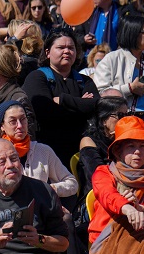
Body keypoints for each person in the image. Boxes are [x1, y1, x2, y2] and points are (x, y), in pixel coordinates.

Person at [89, 116, 144, 254]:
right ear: (118, 151)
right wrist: (127, 208)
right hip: (107, 240)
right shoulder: (103, 172)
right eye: (131, 146)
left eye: (143, 146)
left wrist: (142, 208)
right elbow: (107, 194)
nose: (138, 152)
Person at [24, 28, 100, 167]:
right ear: (48, 52)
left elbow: (95, 105)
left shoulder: (84, 80)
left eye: (71, 48)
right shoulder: (36, 77)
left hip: (80, 155)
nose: (67, 51)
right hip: (47, 156)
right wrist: (81, 105)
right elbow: (45, 112)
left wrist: (62, 100)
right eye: (61, 47)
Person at [92, 15, 144, 112]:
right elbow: (100, 93)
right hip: (123, 117)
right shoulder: (112, 58)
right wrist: (129, 88)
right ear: (133, 33)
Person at [79, 95, 129, 193]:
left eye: (127, 115)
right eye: (120, 115)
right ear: (104, 120)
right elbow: (98, 173)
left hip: (127, 189)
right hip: (99, 192)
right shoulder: (88, 141)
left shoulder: (124, 139)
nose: (124, 120)